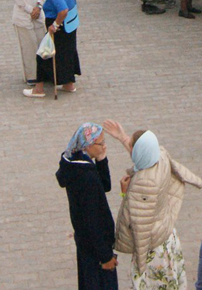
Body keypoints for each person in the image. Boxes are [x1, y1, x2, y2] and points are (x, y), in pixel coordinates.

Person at [115, 131, 202, 289]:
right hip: (167, 235)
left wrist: (124, 193)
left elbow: (139, 224)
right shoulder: (160, 157)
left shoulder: (142, 184)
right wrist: (123, 138)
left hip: (153, 248)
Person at [58, 120, 132, 290]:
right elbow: (93, 221)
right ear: (88, 145)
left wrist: (101, 159)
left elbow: (104, 185)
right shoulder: (86, 178)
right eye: (101, 143)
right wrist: (105, 257)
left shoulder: (75, 164)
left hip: (86, 244)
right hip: (96, 250)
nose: (104, 146)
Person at [38, 0, 81, 95]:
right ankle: (69, 83)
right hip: (71, 26)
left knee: (43, 54)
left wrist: (54, 25)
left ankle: (38, 88)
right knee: (68, 54)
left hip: (60, 27)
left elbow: (63, 10)